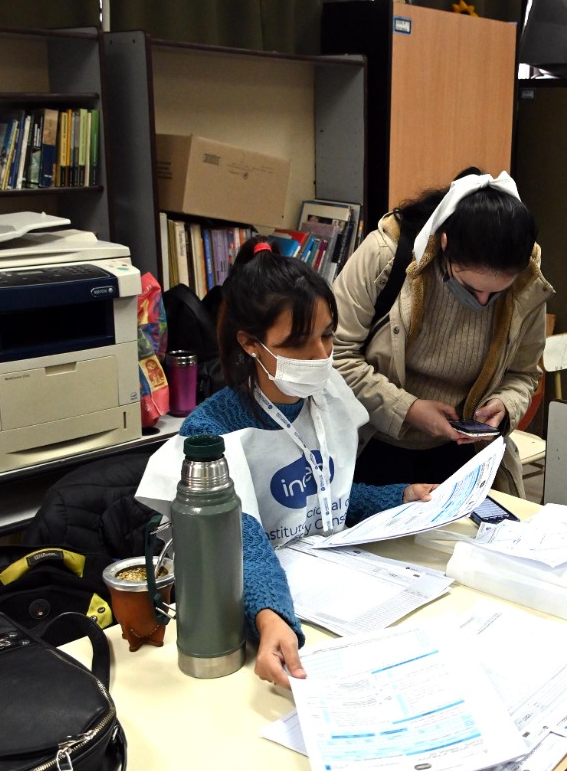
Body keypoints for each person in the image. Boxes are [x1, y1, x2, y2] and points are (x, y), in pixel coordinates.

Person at [138, 239, 435, 687]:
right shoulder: (210, 431)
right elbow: (241, 537)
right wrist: (272, 615)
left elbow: (322, 497)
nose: (321, 355)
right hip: (251, 609)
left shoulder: (326, 397)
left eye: (328, 335)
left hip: (329, 591)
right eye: (298, 342)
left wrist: (401, 496)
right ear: (250, 344)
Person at [332, 169, 552, 496]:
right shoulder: (384, 256)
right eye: (470, 287)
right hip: (372, 444)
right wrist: (407, 409)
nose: (481, 302)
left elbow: (523, 373)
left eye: (496, 294)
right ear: (445, 242)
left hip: (463, 453)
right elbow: (336, 358)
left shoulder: (526, 283)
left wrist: (505, 405)